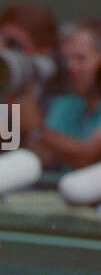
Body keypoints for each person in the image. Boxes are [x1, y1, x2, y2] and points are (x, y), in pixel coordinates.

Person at [19, 18, 101, 168]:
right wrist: (21, 104)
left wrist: (36, 127)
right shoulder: (67, 103)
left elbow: (87, 156)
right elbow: (43, 157)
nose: (71, 68)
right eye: (67, 60)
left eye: (80, 59)